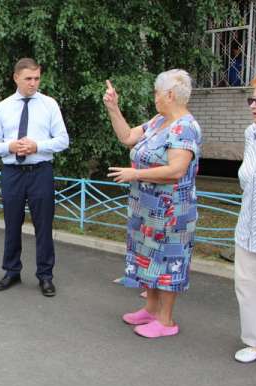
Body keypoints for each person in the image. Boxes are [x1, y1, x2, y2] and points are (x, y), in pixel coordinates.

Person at [103, 69, 202, 338]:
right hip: (147, 209)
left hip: (171, 211)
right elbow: (127, 138)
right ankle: (151, 309)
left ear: (170, 95)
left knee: (168, 259)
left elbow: (176, 170)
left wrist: (135, 174)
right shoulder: (159, 121)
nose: (155, 97)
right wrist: (113, 108)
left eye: (157, 92)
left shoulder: (185, 127)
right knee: (149, 257)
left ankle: (166, 321)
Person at [0, 58, 69, 297]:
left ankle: (45, 275)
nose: (33, 83)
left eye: (37, 78)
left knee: (43, 225)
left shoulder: (49, 105)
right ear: (16, 78)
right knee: (12, 223)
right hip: (12, 173)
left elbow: (63, 140)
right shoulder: (3, 107)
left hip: (40, 172)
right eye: (28, 79)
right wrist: (9, 146)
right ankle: (11, 271)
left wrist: (37, 146)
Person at [233, 74, 256, 363]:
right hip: (248, 225)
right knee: (248, 286)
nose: (253, 106)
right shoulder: (251, 133)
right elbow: (248, 177)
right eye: (251, 100)